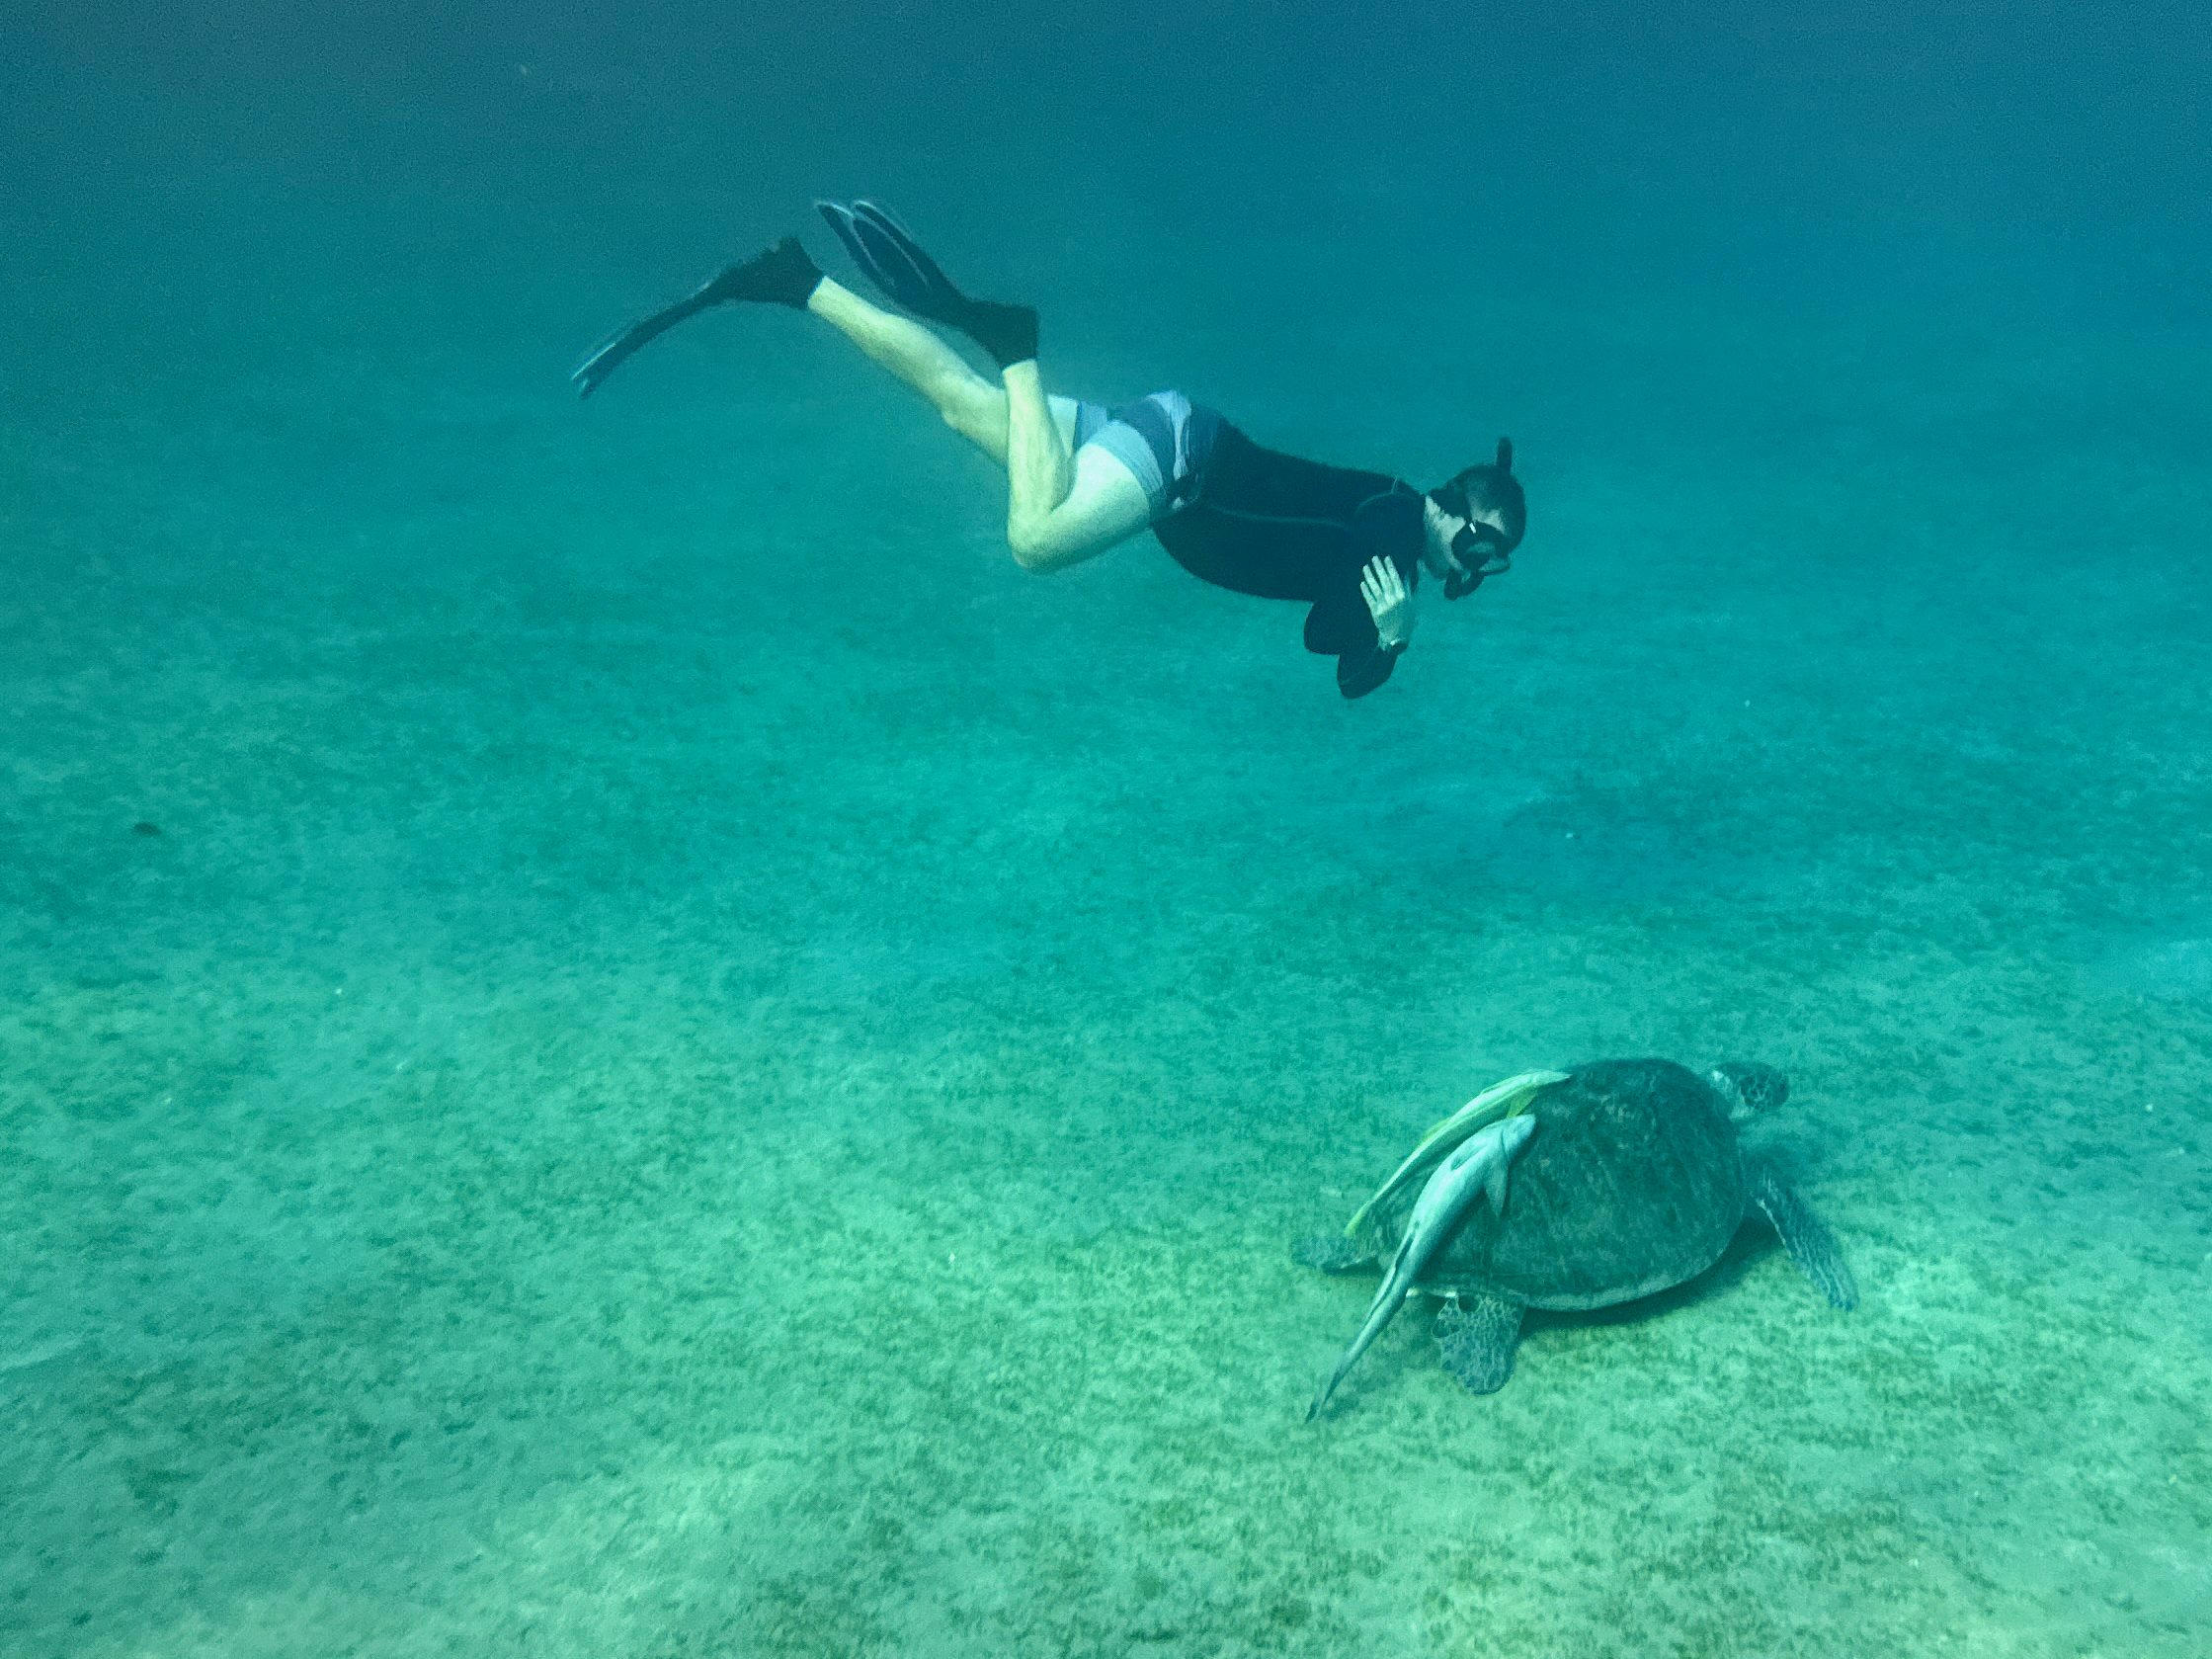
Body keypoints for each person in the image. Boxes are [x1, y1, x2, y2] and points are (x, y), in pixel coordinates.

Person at [574, 202, 1525, 699]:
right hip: (1181, 466)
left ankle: (790, 280)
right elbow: (1332, 646)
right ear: (1456, 511)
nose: (1474, 570)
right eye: (1483, 547)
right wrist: (1392, 641)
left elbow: (1328, 633)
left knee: (961, 408)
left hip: (1170, 444)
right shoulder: (1400, 524)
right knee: (1034, 540)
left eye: (1490, 563)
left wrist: (1386, 635)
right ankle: (1017, 339)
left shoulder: (1391, 523)